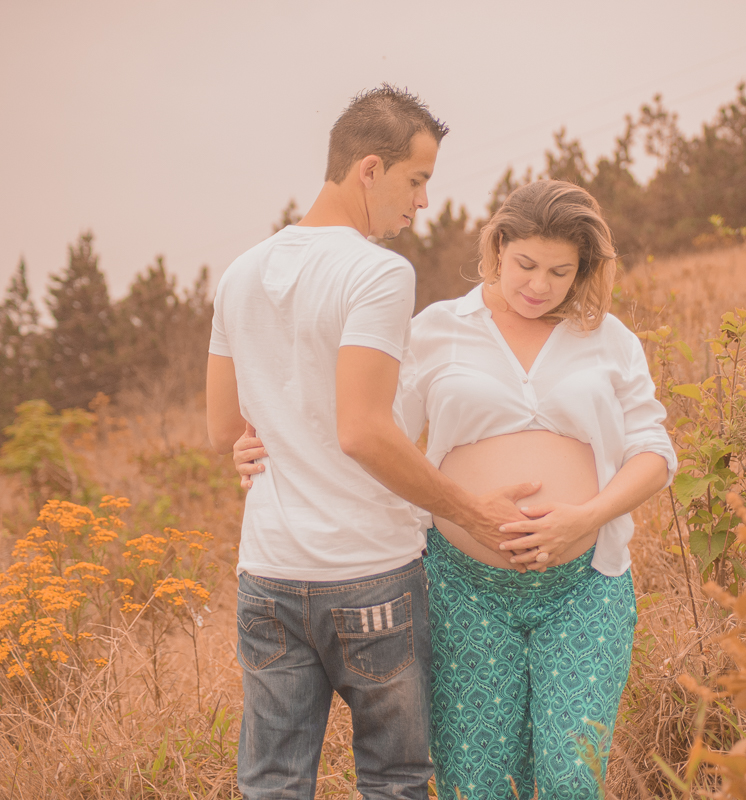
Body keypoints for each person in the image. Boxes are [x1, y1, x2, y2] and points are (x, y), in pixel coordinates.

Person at [235, 180, 677, 799]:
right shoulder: (436, 329)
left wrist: (586, 517)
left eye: (560, 271)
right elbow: (369, 427)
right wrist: (262, 441)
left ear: (583, 271)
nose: (539, 284)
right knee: (476, 783)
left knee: (571, 775)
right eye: (525, 263)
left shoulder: (608, 338)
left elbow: (654, 452)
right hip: (463, 592)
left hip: (583, 588)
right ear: (496, 248)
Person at [206, 85, 540, 800]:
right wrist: (474, 514)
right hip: (369, 577)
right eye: (416, 180)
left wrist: (259, 443)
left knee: (270, 783)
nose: (421, 202)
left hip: (266, 575)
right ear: (368, 170)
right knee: (393, 781)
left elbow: (219, 427)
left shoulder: (239, 274)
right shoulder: (377, 273)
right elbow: (364, 431)